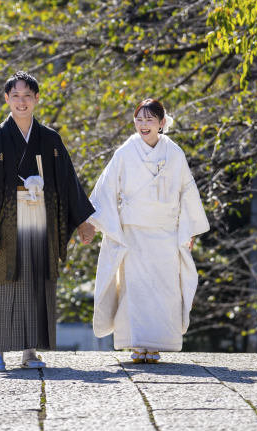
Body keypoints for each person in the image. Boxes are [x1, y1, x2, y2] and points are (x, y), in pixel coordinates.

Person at [0, 71, 95, 371]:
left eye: (27, 96)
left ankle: (29, 352)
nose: (21, 102)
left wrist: (82, 221)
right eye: (15, 96)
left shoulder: (50, 139)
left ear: (37, 99)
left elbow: (67, 182)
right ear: (6, 99)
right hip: (4, 219)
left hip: (40, 217)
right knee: (2, 280)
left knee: (36, 281)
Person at [86, 98, 209, 363]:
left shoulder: (174, 153)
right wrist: (90, 221)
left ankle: (157, 344)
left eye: (149, 120)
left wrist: (189, 231)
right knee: (134, 288)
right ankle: (138, 344)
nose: (143, 125)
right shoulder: (125, 151)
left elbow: (187, 191)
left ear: (161, 123)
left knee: (165, 288)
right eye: (139, 120)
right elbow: (106, 186)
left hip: (166, 231)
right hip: (134, 231)